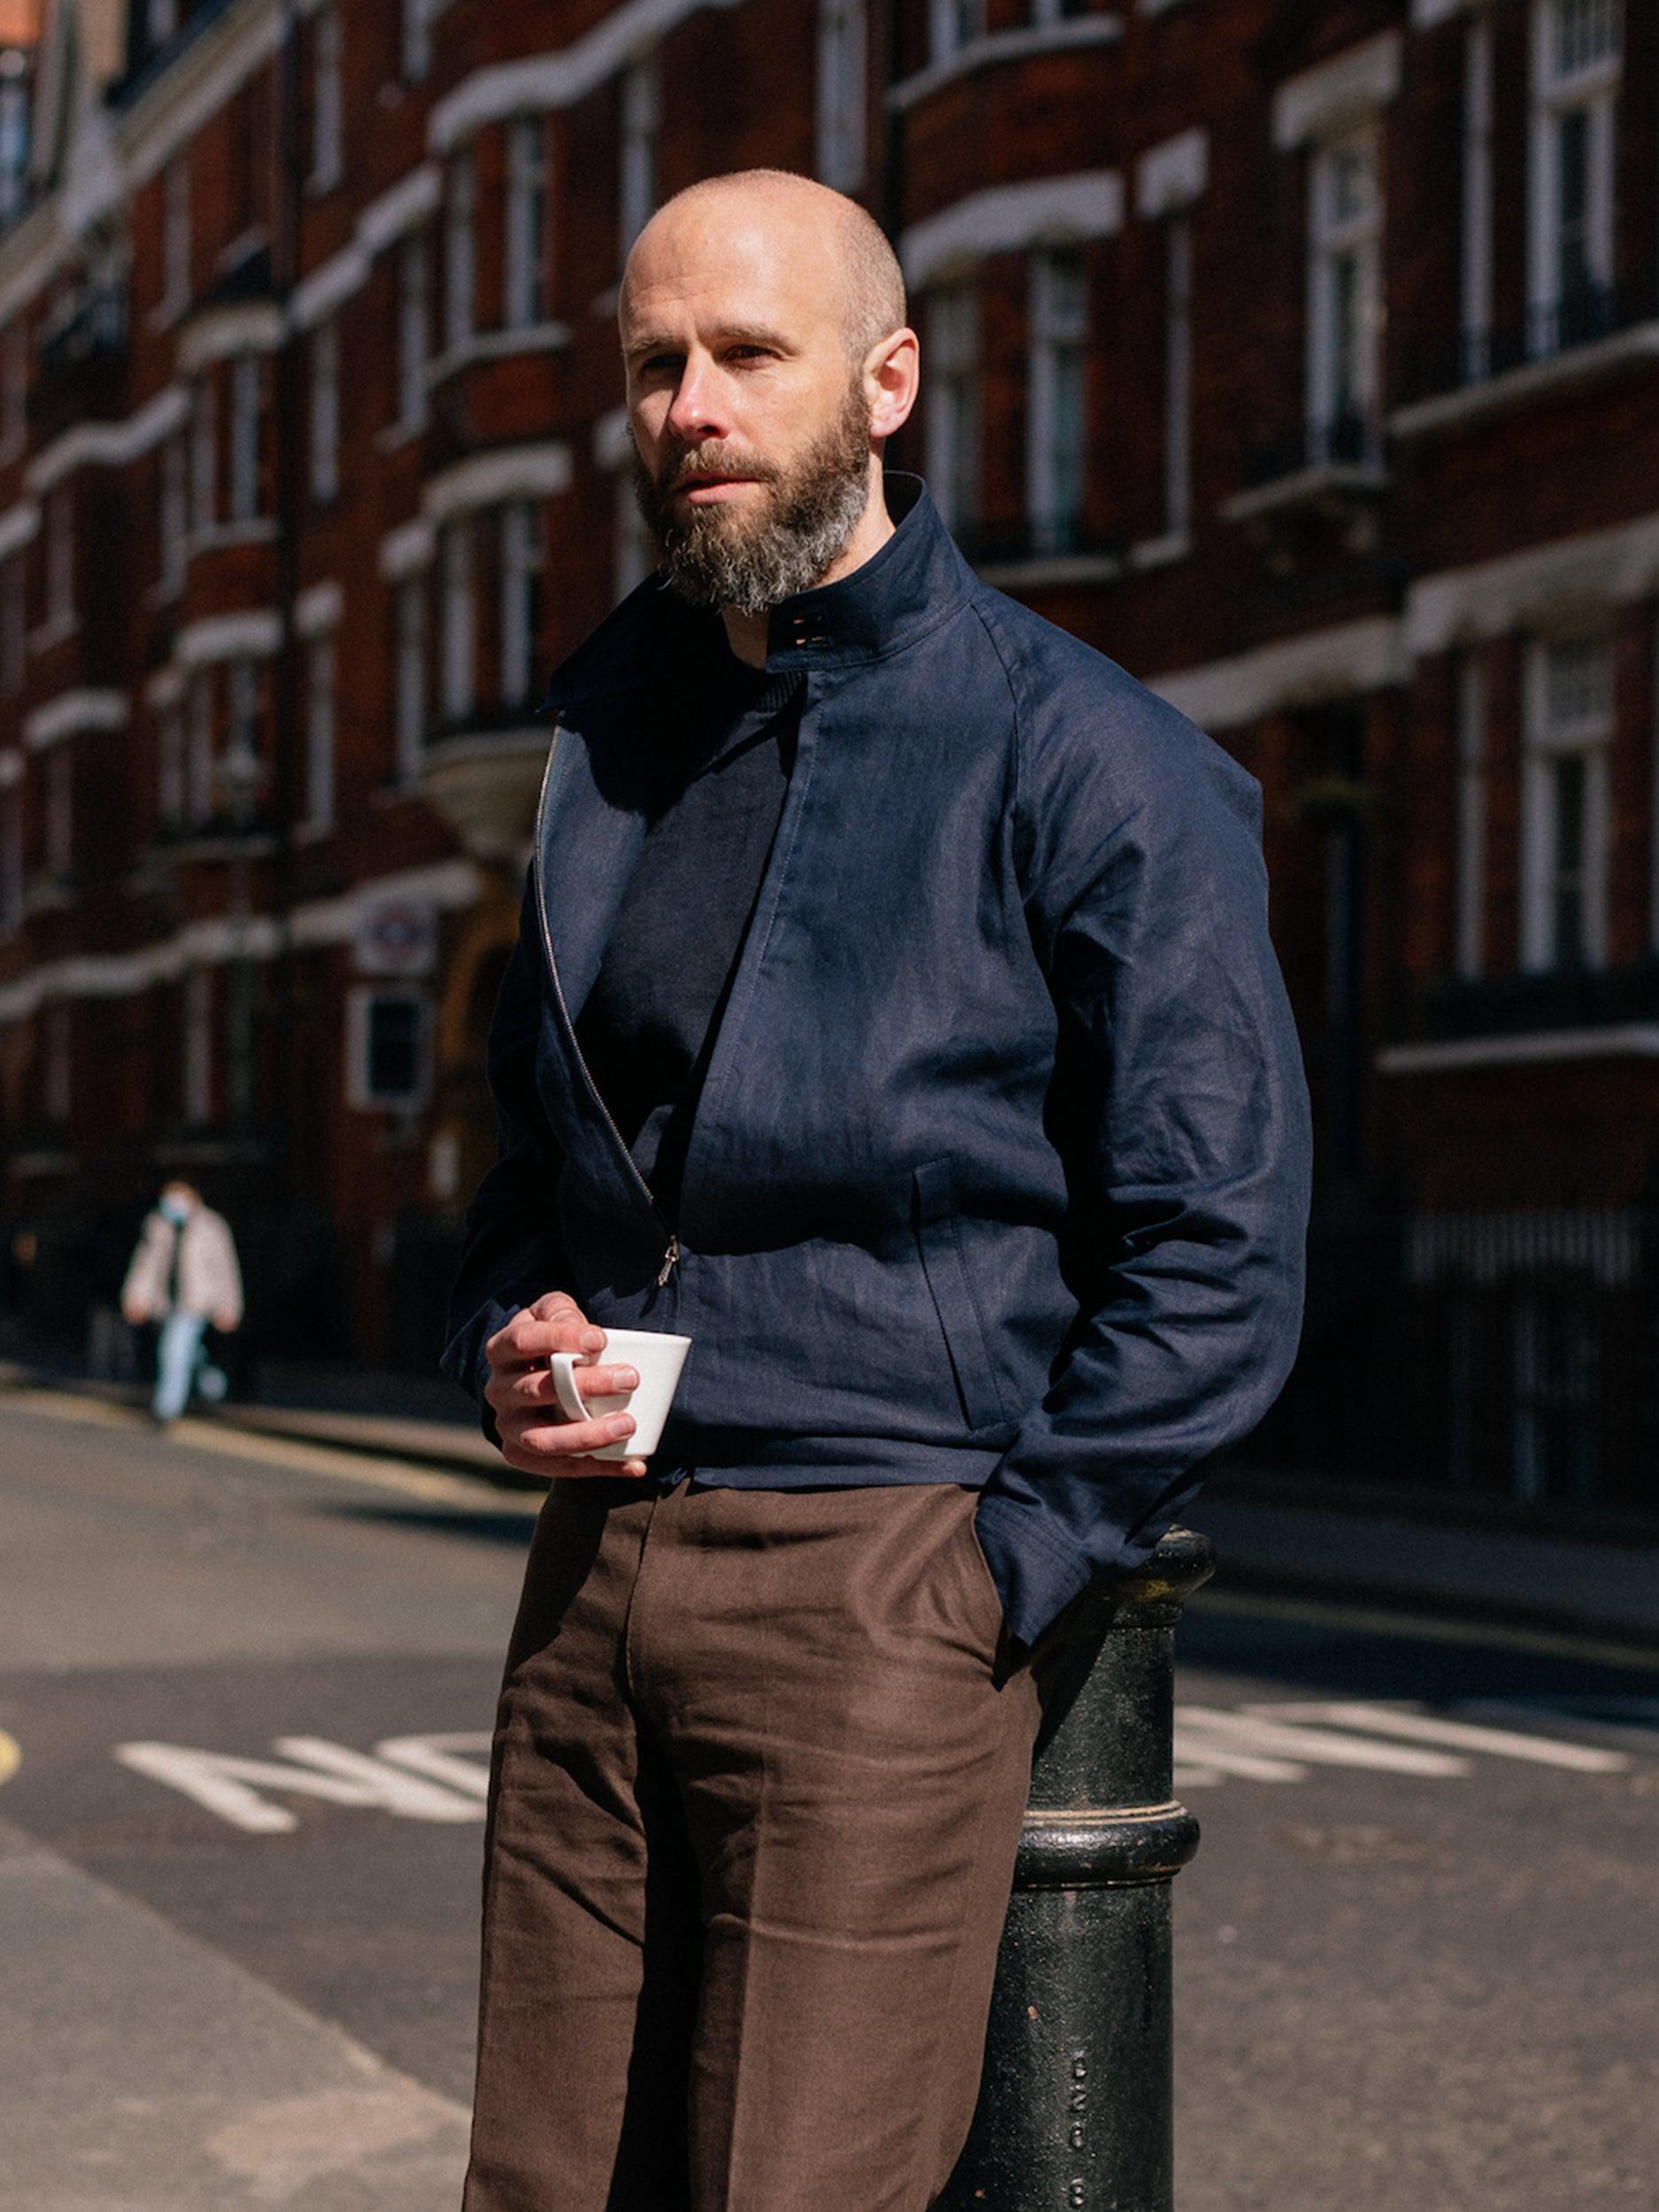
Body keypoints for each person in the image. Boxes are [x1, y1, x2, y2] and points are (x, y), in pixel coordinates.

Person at [442, 169, 1311, 2212]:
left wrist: (992, 1577)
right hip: (590, 1580)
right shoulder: (613, 734)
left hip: (882, 1578)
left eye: (745, 352)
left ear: (884, 381)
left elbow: (1218, 1240)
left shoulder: (1088, 759)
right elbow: (523, 1169)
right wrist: (507, 1336)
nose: (691, 404)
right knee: (541, 2191)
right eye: (652, 362)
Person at [121, 1180, 242, 1425]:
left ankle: (166, 1409)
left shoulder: (211, 1226)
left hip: (197, 1302)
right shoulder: (157, 1225)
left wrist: (229, 1306)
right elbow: (146, 1266)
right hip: (166, 1303)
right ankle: (211, 1382)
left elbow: (225, 1269)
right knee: (187, 1353)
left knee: (172, 1351)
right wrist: (135, 1298)